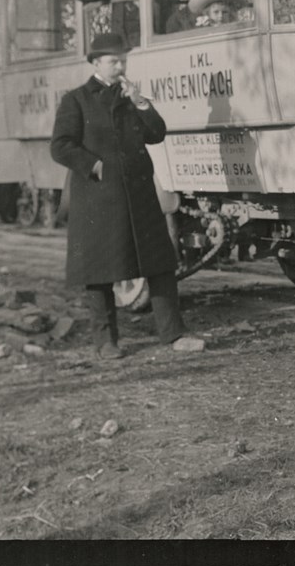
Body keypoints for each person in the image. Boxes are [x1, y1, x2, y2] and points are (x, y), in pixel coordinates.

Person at [49, 32, 199, 359]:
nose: (121, 67)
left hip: (140, 195)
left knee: (160, 265)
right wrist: (93, 165)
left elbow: (157, 134)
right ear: (95, 63)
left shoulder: (130, 98)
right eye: (114, 61)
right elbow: (60, 146)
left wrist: (142, 104)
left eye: (124, 61)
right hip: (100, 199)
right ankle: (105, 343)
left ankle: (173, 335)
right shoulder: (76, 100)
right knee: (100, 273)